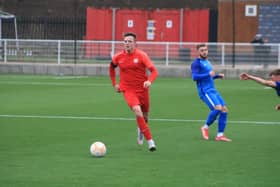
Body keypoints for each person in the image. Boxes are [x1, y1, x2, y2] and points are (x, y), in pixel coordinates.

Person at [109, 32, 158, 151]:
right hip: (128, 90)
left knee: (145, 116)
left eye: (130, 41)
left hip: (143, 89)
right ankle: (151, 142)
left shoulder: (142, 55)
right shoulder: (118, 57)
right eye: (125, 41)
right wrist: (114, 83)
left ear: (135, 43)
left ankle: (140, 130)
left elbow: (154, 71)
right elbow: (111, 67)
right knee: (137, 110)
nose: (127, 44)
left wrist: (149, 81)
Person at [191, 44, 232, 142]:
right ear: (198, 52)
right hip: (205, 91)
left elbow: (209, 76)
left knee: (224, 110)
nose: (204, 52)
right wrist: (208, 74)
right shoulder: (196, 63)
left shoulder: (207, 62)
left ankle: (220, 135)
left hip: (213, 90)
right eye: (202, 50)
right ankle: (205, 127)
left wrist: (217, 76)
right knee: (218, 108)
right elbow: (194, 77)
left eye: (206, 50)